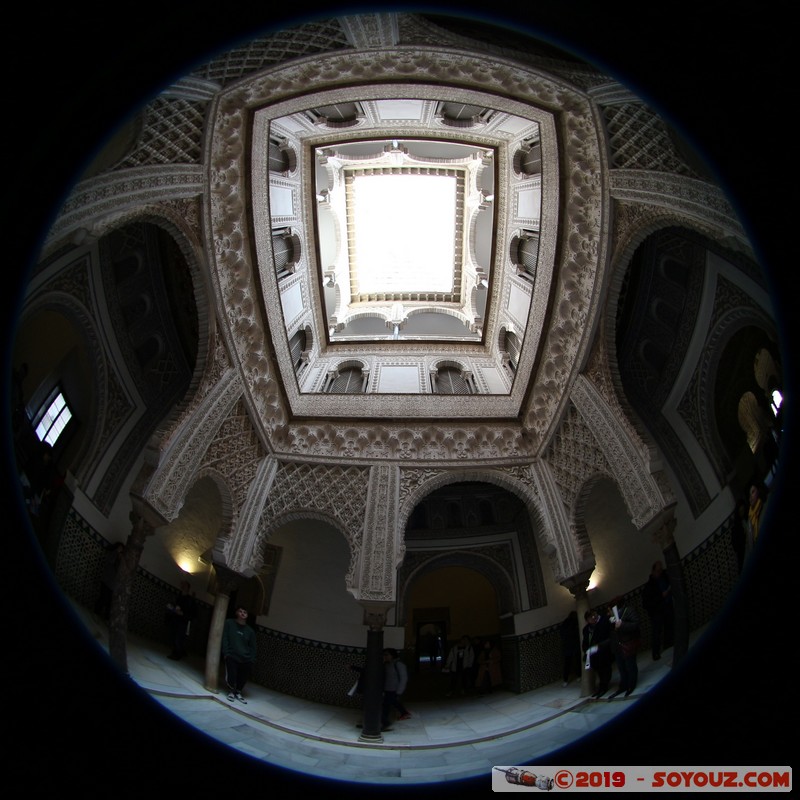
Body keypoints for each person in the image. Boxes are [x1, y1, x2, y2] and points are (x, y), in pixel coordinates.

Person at [222, 606, 257, 703]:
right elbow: (225, 637)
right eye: (240, 611)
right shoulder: (229, 623)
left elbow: (253, 647)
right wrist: (226, 652)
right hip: (232, 655)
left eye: (244, 612)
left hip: (246, 658)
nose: (242, 613)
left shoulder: (250, 631)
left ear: (247, 615)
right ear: (236, 613)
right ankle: (231, 691)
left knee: (243, 677)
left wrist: (251, 659)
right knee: (231, 675)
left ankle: (238, 692)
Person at [607, 597, 640, 699]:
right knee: (621, 667)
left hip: (627, 643)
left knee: (630, 665)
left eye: (609, 610)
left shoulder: (629, 611)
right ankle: (623, 685)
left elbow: (636, 624)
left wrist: (622, 625)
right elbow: (612, 632)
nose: (608, 612)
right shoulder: (612, 617)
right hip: (618, 646)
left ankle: (631, 684)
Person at [641, 560, 674, 660]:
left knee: (668, 625)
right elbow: (648, 601)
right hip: (656, 612)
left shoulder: (663, 577)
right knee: (657, 632)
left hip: (666, 607)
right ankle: (656, 652)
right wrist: (662, 595)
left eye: (660, 570)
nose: (660, 572)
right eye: (658, 570)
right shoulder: (650, 586)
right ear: (653, 571)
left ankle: (668, 644)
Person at [582, 608, 613, 697]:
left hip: (603, 652)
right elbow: (585, 642)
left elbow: (608, 636)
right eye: (590, 618)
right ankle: (601, 688)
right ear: (587, 620)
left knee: (605, 670)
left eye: (593, 616)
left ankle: (604, 687)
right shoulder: (586, 629)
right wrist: (587, 650)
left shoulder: (602, 623)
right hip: (593, 655)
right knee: (599, 671)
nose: (593, 618)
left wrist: (599, 646)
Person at [165, 580, 197, 660]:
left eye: (184, 586)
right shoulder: (178, 596)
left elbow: (191, 612)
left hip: (183, 621)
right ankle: (178, 652)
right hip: (175, 619)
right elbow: (174, 606)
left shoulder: (190, 600)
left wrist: (183, 614)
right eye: (182, 585)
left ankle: (177, 654)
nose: (182, 587)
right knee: (174, 635)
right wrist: (172, 608)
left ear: (188, 588)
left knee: (179, 638)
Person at [381, 648, 410, 730]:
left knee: (386, 705)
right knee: (392, 703)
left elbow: (403, 678)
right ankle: (404, 713)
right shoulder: (387, 664)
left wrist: (399, 691)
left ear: (392, 655)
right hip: (387, 689)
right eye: (384, 655)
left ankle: (385, 722)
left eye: (387, 655)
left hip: (394, 689)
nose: (385, 657)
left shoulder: (398, 665)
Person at [94, 541, 124, 619]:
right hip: (106, 581)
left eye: (122, 552)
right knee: (102, 599)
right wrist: (117, 551)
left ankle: (105, 618)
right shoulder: (112, 556)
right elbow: (109, 560)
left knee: (109, 604)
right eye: (120, 551)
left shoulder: (121, 562)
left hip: (113, 586)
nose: (120, 553)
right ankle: (96, 613)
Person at [558, 610, 581, 686]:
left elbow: (562, 633)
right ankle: (579, 675)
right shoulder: (573, 622)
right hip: (572, 645)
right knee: (577, 661)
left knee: (568, 663)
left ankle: (565, 680)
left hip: (568, 646)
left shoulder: (565, 623)